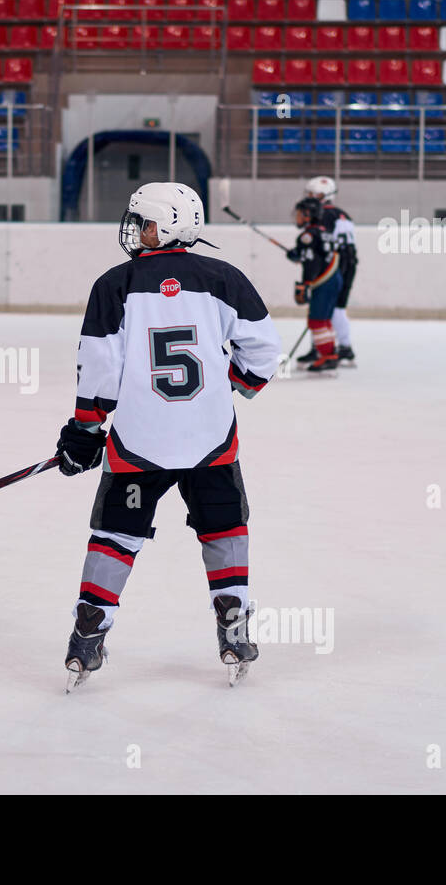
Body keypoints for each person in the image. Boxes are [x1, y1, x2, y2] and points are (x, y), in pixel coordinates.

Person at [54, 182, 282, 690]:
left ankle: (89, 628)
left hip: (138, 444)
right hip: (211, 442)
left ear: (168, 225)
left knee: (116, 535)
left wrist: (85, 430)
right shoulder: (225, 279)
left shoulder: (115, 284)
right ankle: (233, 622)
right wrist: (234, 385)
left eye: (144, 223)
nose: (135, 232)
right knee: (224, 530)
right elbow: (265, 350)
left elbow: (98, 366)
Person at [302, 176, 357, 364]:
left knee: (329, 309)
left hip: (333, 263)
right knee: (328, 308)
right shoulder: (343, 214)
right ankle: (327, 347)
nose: (309, 197)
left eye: (313, 194)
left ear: (324, 195)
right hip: (347, 262)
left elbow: (321, 242)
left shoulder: (322, 215)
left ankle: (343, 347)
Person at [286, 196, 343, 373]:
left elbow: (312, 262)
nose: (297, 217)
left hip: (323, 282)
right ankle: (330, 352)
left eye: (300, 214)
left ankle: (327, 356)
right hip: (334, 278)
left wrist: (305, 283)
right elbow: (317, 255)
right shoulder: (324, 231)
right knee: (324, 319)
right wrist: (298, 254)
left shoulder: (308, 235)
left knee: (317, 320)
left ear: (308, 214)